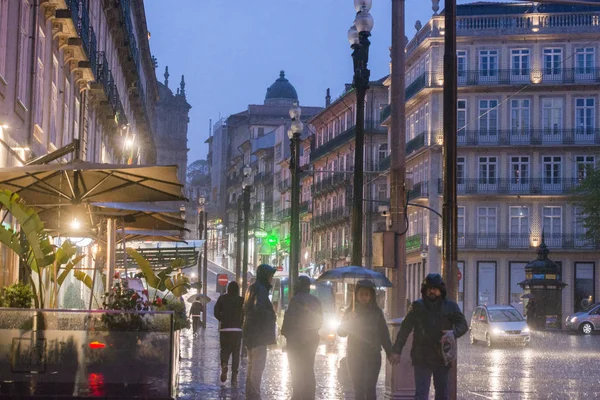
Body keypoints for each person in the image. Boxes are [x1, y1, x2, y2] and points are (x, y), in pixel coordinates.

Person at [391, 273, 468, 400]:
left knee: (442, 394)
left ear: (440, 290)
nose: (432, 291)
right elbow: (404, 329)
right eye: (429, 288)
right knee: (421, 394)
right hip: (422, 357)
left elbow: (463, 324)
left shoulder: (450, 306)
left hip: (442, 357)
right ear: (424, 290)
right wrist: (396, 351)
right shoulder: (417, 307)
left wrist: (453, 333)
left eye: (435, 288)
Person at [338, 280, 394, 400]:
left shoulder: (377, 312)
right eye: (361, 294)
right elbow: (341, 333)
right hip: (354, 356)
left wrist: (390, 353)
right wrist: (348, 321)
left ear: (371, 296)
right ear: (356, 295)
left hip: (372, 356)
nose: (364, 297)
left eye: (366, 294)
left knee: (370, 389)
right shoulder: (350, 311)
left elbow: (384, 334)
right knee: (358, 389)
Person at [281, 276, 323, 400]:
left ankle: (298, 396)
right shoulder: (316, 301)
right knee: (309, 369)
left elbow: (288, 320)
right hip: (312, 339)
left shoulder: (295, 300)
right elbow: (320, 321)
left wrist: (285, 333)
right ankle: (310, 396)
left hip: (296, 341)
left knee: (296, 370)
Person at [243, 264, 277, 400]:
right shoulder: (261, 289)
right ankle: (255, 396)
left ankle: (250, 395)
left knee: (252, 367)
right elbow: (259, 310)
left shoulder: (252, 288)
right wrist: (271, 314)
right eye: (270, 276)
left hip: (250, 334)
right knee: (257, 368)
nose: (271, 279)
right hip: (258, 335)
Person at [214, 281, 244, 385]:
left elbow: (216, 311)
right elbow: (244, 313)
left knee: (224, 350)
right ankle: (234, 377)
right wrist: (240, 322)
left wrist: (222, 319)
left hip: (225, 329)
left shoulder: (222, 298)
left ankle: (224, 365)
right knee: (236, 353)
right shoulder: (241, 300)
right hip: (237, 330)